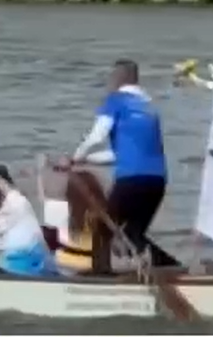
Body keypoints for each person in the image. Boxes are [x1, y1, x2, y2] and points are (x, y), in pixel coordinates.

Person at [56, 59, 176, 270]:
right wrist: (85, 160)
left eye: (111, 77)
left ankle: (100, 276)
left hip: (131, 179)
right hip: (157, 181)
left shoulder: (116, 100)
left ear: (118, 78)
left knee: (103, 229)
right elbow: (118, 155)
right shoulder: (149, 106)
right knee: (134, 233)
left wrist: (74, 156)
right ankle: (170, 268)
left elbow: (96, 137)